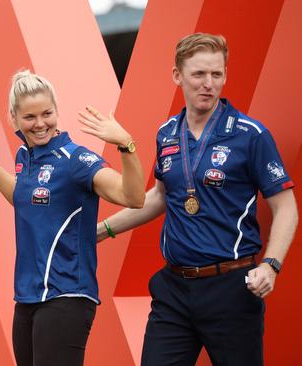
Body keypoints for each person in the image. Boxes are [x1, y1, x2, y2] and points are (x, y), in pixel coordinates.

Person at [97, 33, 298, 365]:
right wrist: (102, 230)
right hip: (173, 289)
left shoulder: (251, 134)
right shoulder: (167, 133)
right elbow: (160, 197)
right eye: (198, 74)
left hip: (232, 287)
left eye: (216, 74)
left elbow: (286, 207)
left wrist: (271, 265)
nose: (208, 84)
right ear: (178, 76)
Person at [0, 70, 145, 366]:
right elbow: (24, 200)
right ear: (14, 118)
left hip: (67, 296)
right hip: (28, 298)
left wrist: (126, 146)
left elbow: (133, 197)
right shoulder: (25, 157)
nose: (40, 123)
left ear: (57, 112)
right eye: (30, 117)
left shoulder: (77, 161)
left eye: (47, 113)